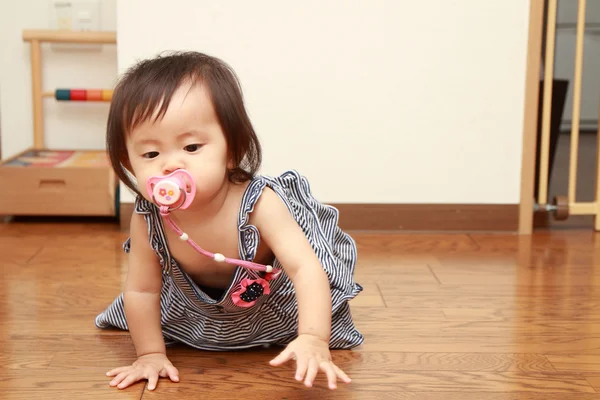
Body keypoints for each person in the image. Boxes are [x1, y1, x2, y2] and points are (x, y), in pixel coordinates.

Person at [95, 51, 364, 391]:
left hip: (275, 302)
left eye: (191, 147)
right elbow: (142, 289)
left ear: (232, 150)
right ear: (130, 163)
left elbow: (305, 268)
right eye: (150, 154)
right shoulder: (148, 216)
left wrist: (313, 337)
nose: (169, 165)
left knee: (322, 320)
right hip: (194, 305)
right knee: (135, 314)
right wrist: (150, 353)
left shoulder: (259, 203)